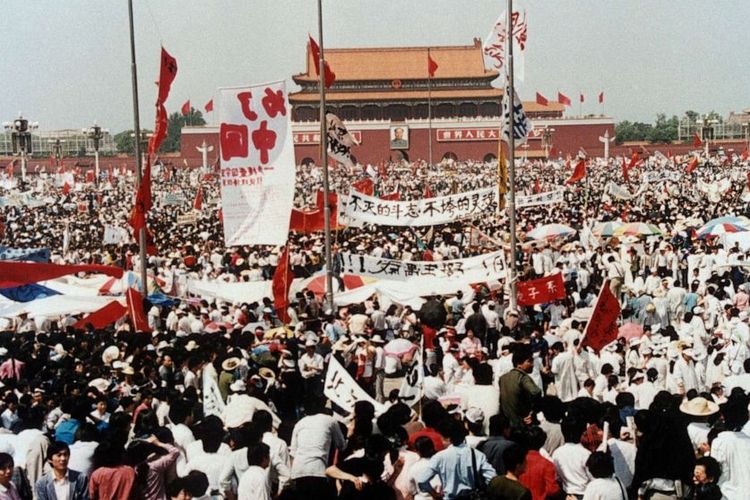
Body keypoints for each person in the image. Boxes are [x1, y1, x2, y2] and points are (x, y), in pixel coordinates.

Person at [417, 419, 496, 499]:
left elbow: (422, 480)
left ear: (448, 439)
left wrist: (434, 494)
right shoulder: (477, 455)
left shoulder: (439, 457)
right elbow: (492, 478)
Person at [498, 345, 541, 427]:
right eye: (529, 361)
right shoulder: (522, 377)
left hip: (507, 425)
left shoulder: (503, 378)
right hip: (521, 425)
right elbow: (536, 392)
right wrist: (533, 412)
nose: (532, 365)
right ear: (519, 364)